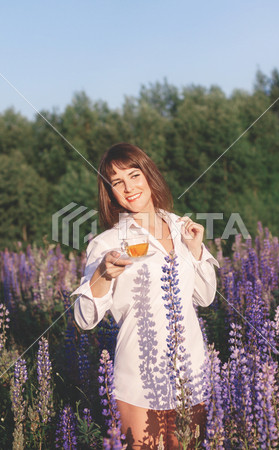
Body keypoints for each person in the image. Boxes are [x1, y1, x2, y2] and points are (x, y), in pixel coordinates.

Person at [71, 143, 219, 449]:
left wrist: (195, 250)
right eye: (117, 182)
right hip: (138, 377)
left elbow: (204, 297)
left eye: (134, 175)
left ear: (149, 176)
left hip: (189, 373)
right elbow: (84, 319)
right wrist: (103, 274)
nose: (129, 187)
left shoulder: (181, 227)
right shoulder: (107, 243)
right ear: (110, 192)